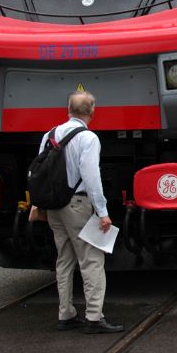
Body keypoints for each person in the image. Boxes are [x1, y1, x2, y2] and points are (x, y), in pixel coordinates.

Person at [38, 91, 123, 333]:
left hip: (54, 206)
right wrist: (102, 211)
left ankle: (65, 315)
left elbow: (41, 171)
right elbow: (91, 177)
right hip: (78, 205)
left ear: (68, 109)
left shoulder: (49, 135)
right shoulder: (88, 138)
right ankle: (94, 318)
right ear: (91, 112)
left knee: (64, 259)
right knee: (92, 260)